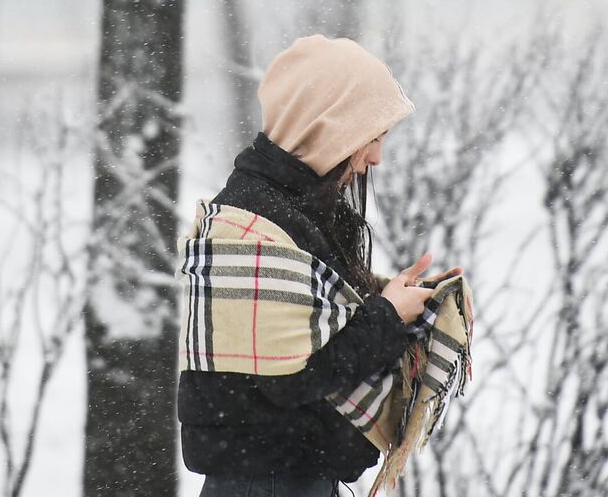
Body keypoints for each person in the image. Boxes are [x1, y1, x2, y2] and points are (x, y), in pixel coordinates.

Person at [177, 35, 460, 497]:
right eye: (372, 138)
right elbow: (295, 375)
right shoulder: (253, 227)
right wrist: (386, 316)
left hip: (286, 478)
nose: (376, 158)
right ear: (331, 127)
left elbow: (309, 339)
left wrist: (394, 299)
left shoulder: (291, 211)